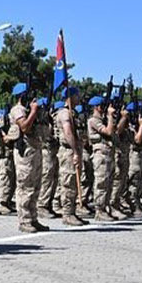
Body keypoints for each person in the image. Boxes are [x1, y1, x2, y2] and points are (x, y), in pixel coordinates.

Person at [7, 83, 47, 233]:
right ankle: (24, 220)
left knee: (36, 186)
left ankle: (33, 218)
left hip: (35, 150)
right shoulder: (17, 110)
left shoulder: (29, 110)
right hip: (25, 153)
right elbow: (24, 127)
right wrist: (34, 111)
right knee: (25, 187)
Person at [53, 89, 87, 226]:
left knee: (73, 182)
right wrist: (75, 151)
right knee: (68, 183)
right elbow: (67, 132)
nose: (79, 97)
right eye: (77, 95)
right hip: (68, 152)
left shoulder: (73, 113)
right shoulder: (64, 113)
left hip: (74, 150)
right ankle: (67, 214)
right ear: (71, 97)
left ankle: (72, 212)